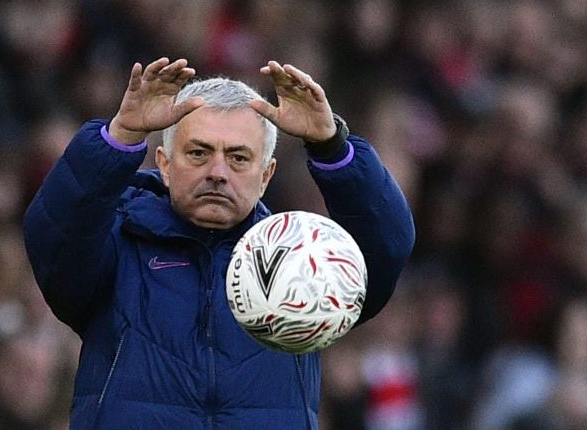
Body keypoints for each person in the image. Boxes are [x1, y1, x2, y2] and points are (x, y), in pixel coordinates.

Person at [23, 57, 415, 429]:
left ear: (266, 176)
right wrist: (119, 138)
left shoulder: (300, 261)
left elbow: (386, 249)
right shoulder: (116, 244)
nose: (217, 172)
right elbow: (54, 243)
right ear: (164, 164)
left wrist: (333, 149)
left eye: (239, 158)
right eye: (198, 153)